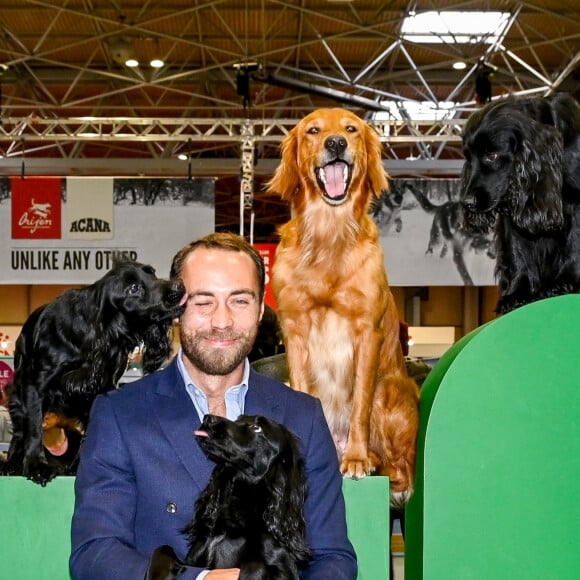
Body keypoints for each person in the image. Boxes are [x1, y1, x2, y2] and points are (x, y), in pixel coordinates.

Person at [70, 232, 357, 580]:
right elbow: (94, 553)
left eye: (240, 301)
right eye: (203, 302)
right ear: (176, 309)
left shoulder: (303, 417)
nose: (222, 322)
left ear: (261, 309)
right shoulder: (120, 415)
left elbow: (333, 558)